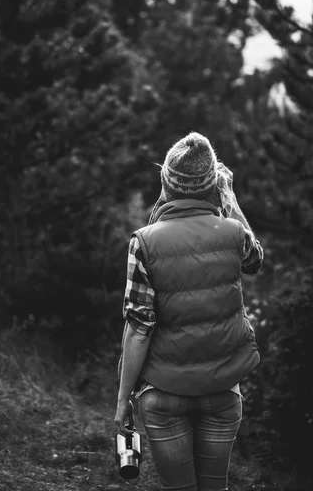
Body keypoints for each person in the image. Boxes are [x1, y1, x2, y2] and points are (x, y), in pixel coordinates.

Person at [114, 132, 264, 491]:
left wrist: (123, 400)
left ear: (166, 182)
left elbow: (138, 328)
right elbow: (255, 259)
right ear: (214, 183)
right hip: (224, 389)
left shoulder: (144, 242)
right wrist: (228, 197)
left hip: (163, 393)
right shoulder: (233, 232)